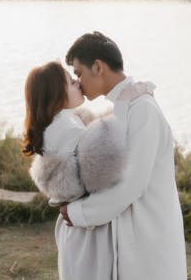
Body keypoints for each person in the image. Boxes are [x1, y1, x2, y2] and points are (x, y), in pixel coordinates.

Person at [59, 31, 187, 279]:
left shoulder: (143, 110)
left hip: (149, 237)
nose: (78, 83)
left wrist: (78, 213)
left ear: (97, 66)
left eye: (78, 73)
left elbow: (131, 185)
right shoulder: (124, 106)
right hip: (129, 236)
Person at [22, 60, 147, 279]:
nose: (78, 83)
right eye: (71, 82)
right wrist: (125, 104)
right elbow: (104, 165)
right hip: (85, 229)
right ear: (56, 93)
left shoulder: (62, 122)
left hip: (77, 225)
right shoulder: (66, 128)